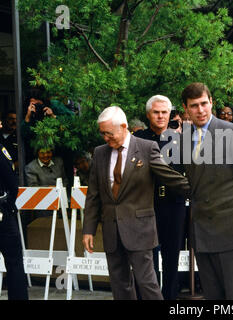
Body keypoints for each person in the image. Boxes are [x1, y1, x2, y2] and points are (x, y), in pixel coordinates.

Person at [82, 106, 190, 300]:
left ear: (123, 127)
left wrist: (200, 190)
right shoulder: (99, 153)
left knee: (147, 283)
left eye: (109, 133)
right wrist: (88, 229)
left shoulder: (146, 148)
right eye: (102, 134)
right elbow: (93, 194)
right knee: (119, 283)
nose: (105, 138)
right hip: (111, 230)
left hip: (140, 230)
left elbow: (169, 177)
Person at [180, 82, 233, 300]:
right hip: (202, 231)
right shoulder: (184, 139)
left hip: (232, 228)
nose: (200, 110)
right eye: (194, 106)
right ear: (186, 108)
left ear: (211, 102)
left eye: (204, 104)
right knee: (213, 296)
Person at [134, 95, 187, 300]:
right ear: (148, 115)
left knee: (172, 257)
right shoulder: (138, 140)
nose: (160, 116)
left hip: (174, 206)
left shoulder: (180, 140)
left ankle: (171, 298)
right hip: (147, 206)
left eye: (165, 112)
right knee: (148, 259)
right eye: (156, 112)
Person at [0, 108, 28, 300]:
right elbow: (12, 181)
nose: (0, 125)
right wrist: (10, 203)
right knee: (14, 262)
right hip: (0, 212)